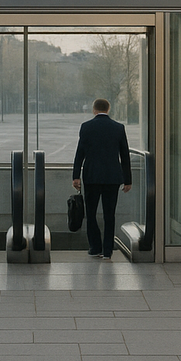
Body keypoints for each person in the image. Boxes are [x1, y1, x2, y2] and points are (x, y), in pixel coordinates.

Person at [72, 98, 132, 261]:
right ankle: (107, 250)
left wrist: (76, 175)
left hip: (92, 176)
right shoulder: (118, 128)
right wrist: (127, 179)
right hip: (112, 177)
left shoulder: (86, 127)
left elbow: (80, 153)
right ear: (108, 109)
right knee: (109, 214)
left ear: (94, 110)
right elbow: (125, 155)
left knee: (91, 214)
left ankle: (95, 247)